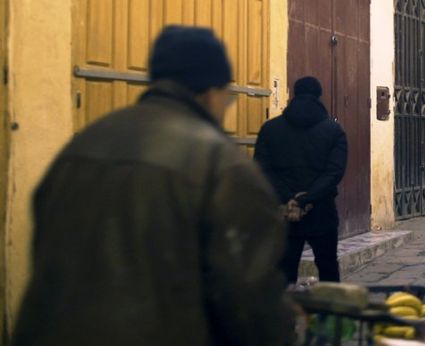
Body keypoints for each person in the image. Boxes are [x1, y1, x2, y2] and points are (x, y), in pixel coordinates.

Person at [13, 26, 290, 345]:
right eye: (228, 98)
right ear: (211, 92)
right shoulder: (220, 165)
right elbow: (250, 299)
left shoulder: (80, 148)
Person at [255, 76, 347, 285]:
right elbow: (334, 172)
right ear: (318, 95)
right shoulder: (333, 131)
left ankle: (285, 307)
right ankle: (330, 306)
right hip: (321, 210)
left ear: (294, 94)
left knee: (284, 271)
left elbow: (262, 169)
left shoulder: (270, 129)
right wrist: (307, 198)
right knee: (328, 267)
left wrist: (290, 199)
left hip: (284, 211)